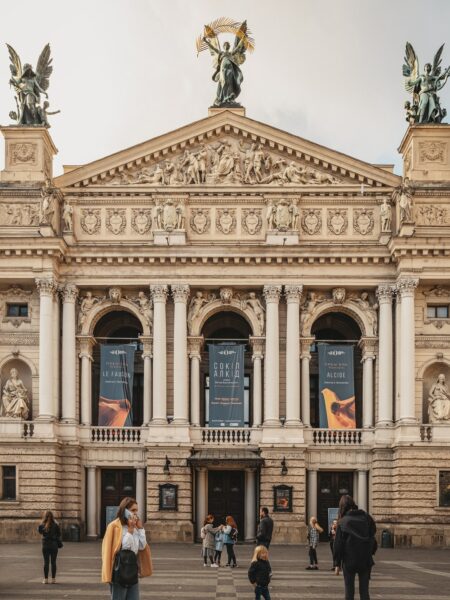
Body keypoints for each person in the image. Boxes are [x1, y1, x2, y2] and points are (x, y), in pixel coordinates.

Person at [101, 496, 152, 600]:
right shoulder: (114, 526)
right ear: (125, 510)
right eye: (133, 510)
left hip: (132, 569)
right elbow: (124, 548)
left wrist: (141, 528)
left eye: (137, 510)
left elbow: (142, 546)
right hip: (119, 570)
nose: (135, 513)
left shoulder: (136, 526)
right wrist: (130, 530)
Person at [333, 495, 377, 600]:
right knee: (364, 592)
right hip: (365, 560)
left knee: (349, 592)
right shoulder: (366, 517)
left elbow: (338, 545)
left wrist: (337, 564)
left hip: (349, 561)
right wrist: (371, 551)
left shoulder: (343, 521)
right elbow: (372, 535)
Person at [38, 510, 62, 584]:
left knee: (46, 562)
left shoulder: (42, 525)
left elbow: (40, 532)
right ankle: (53, 579)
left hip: (45, 545)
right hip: (54, 545)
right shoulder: (55, 525)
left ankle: (45, 579)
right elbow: (59, 534)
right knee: (53, 562)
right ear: (52, 517)